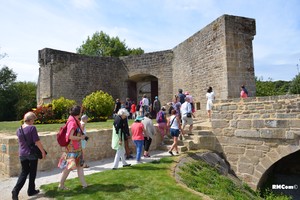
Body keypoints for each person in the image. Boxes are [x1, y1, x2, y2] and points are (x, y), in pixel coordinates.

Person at [12, 112, 47, 200]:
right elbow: (37, 141)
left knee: (24, 172)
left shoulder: (18, 129)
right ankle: (31, 190)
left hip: (22, 154)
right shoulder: (32, 128)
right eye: (33, 120)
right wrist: (42, 152)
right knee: (32, 172)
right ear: (30, 120)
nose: (33, 122)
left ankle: (15, 190)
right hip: (31, 153)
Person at [58, 105, 88, 190]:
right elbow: (70, 136)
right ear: (78, 113)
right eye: (81, 111)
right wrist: (80, 138)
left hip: (77, 149)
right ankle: (61, 185)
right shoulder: (72, 122)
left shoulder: (74, 120)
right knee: (68, 167)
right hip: (72, 150)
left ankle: (84, 184)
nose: (82, 113)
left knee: (80, 166)